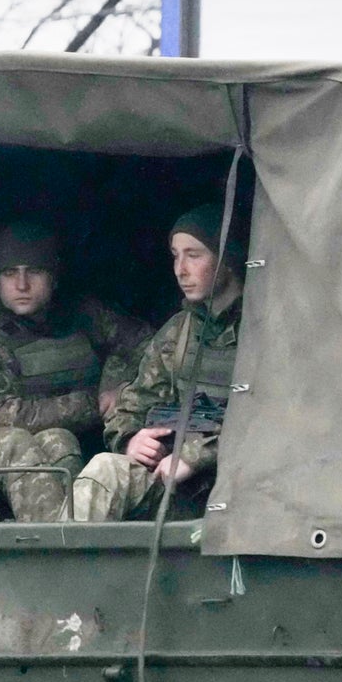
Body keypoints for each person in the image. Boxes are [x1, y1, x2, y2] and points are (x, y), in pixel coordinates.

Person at [0, 221, 151, 521]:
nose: (21, 285)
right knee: (57, 439)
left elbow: (148, 343)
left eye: (34, 271)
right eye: (9, 273)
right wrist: (95, 402)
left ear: (54, 278)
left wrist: (116, 376)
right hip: (5, 462)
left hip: (84, 452)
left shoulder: (84, 315)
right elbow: (7, 416)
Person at [71, 203, 245, 521]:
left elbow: (278, 422)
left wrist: (195, 456)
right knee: (105, 471)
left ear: (228, 259)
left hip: (247, 492)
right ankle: (64, 570)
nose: (180, 269)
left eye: (194, 255)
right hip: (181, 490)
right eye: (176, 255)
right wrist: (131, 440)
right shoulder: (179, 331)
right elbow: (132, 407)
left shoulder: (267, 331)